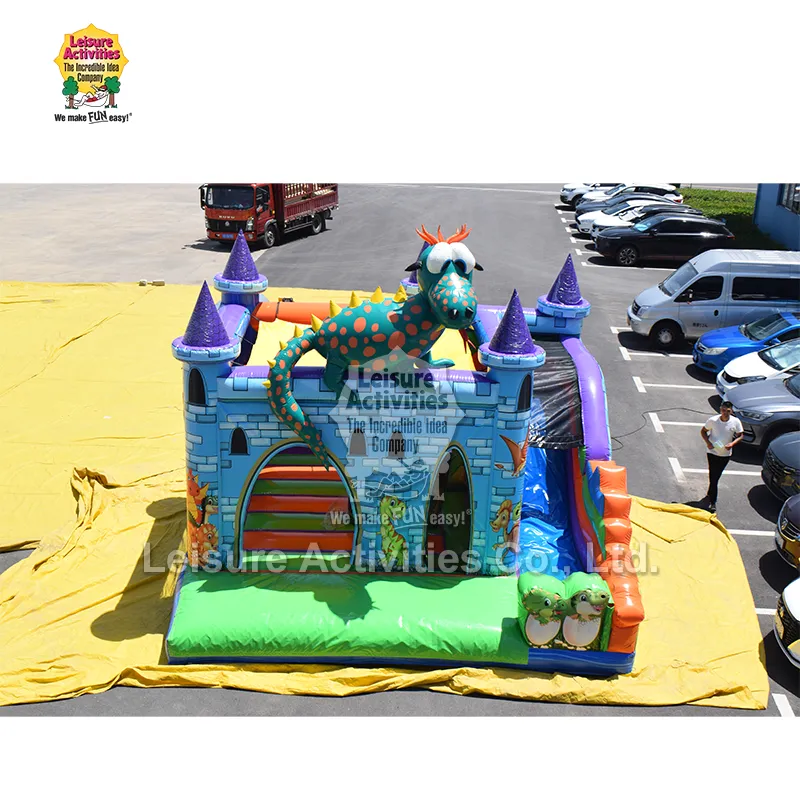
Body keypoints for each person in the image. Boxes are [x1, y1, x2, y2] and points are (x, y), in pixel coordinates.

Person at [700, 400, 744, 513]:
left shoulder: (735, 422)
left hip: (725, 454)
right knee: (713, 476)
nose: (725, 413)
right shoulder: (713, 420)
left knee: (716, 476)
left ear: (731, 411)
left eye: (728, 411)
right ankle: (713, 502)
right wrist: (708, 443)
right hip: (712, 452)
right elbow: (703, 431)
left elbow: (740, 435)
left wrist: (732, 444)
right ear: (720, 410)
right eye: (723, 410)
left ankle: (710, 493)